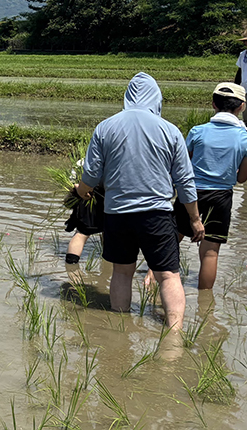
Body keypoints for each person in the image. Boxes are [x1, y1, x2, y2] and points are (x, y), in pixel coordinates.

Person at [75, 73, 201, 332]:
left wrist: (81, 191)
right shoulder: (170, 130)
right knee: (168, 275)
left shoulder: (105, 127)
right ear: (157, 98)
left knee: (121, 272)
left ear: (128, 96)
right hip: (156, 214)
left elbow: (91, 175)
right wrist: (195, 218)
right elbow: (185, 181)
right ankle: (174, 334)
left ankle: (120, 329)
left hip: (117, 213)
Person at [175, 82, 247, 290]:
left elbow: (184, 164)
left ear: (213, 104)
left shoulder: (198, 131)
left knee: (171, 240)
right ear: (241, 107)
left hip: (191, 193)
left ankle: (154, 283)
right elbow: (242, 179)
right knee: (211, 252)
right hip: (221, 197)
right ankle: (206, 303)